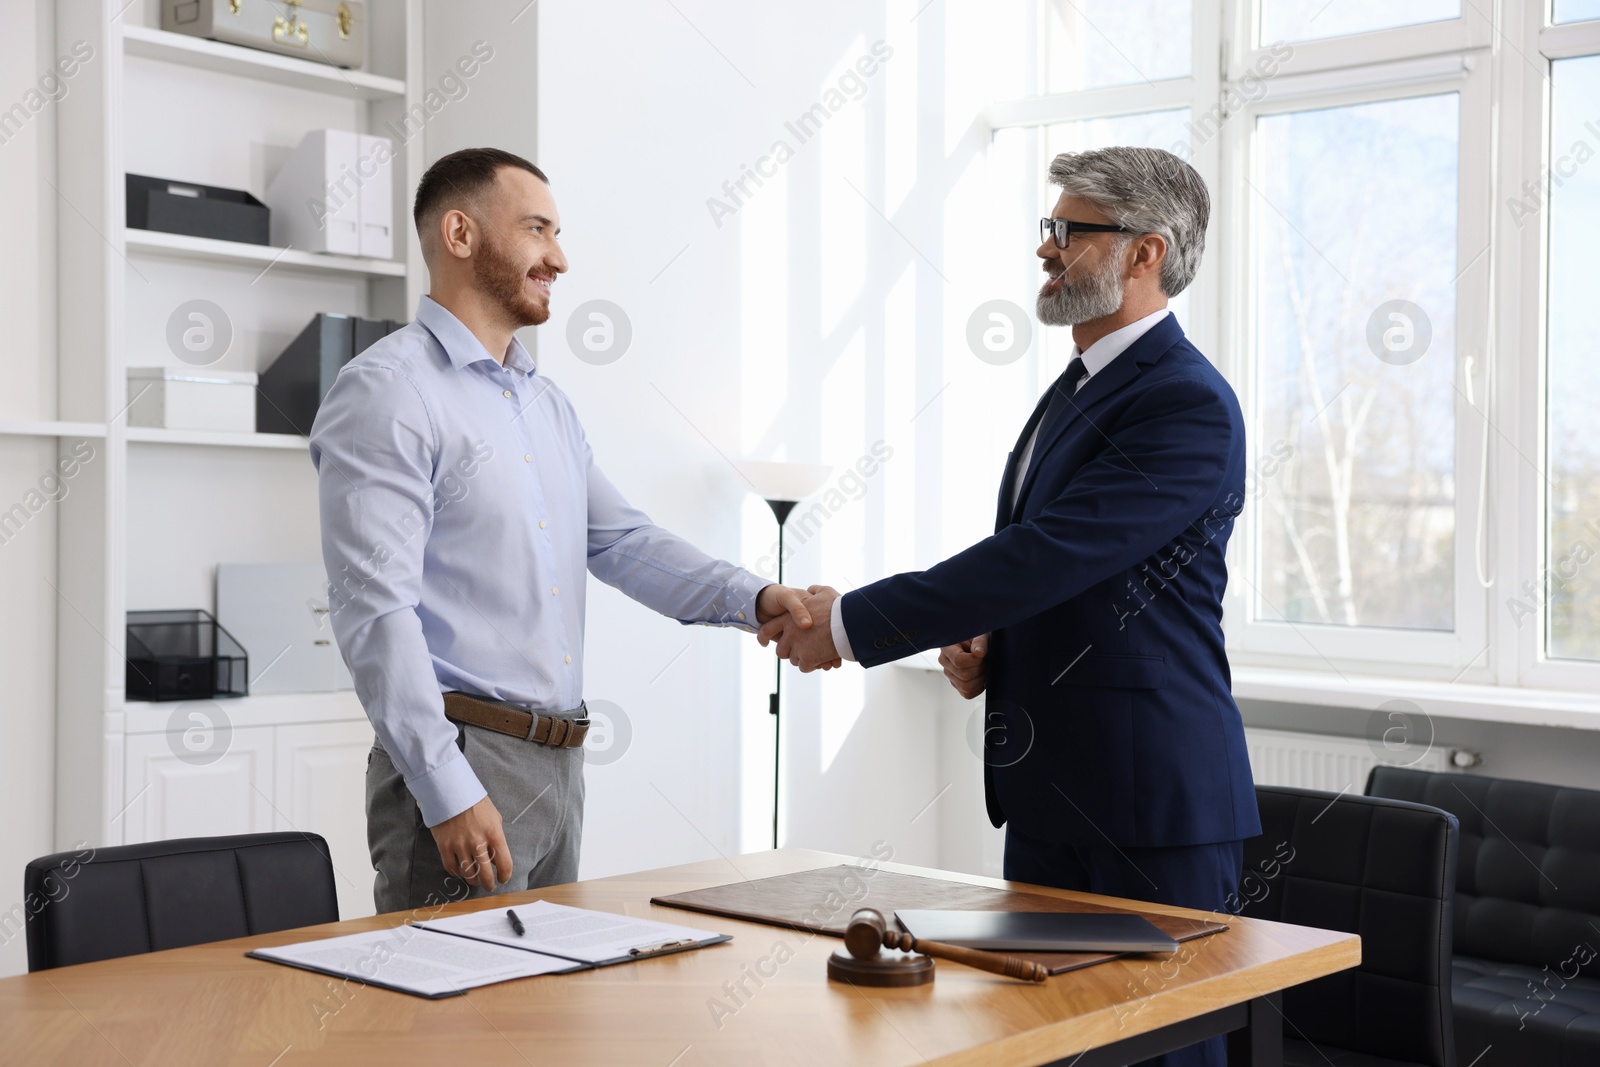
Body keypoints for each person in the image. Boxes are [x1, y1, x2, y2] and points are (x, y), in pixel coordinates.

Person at [761, 146, 1258, 1067]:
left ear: (1146, 252)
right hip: (1051, 798)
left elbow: (1046, 555)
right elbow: (1066, 579)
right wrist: (992, 644)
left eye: (1071, 231)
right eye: (1049, 226)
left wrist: (846, 623)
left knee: (1157, 1056)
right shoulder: (1077, 386)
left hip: (1150, 809)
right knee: (1041, 1046)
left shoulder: (1187, 402)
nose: (1047, 248)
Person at [311, 147, 814, 913]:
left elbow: (621, 541)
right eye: (539, 229)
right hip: (467, 758)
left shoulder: (543, 405)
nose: (560, 257)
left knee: (544, 1017)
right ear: (460, 233)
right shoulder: (387, 394)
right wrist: (445, 787)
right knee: (455, 1020)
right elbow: (375, 612)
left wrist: (757, 598)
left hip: (560, 765)